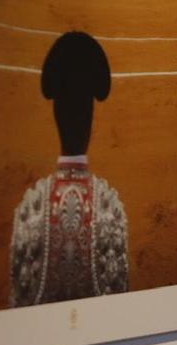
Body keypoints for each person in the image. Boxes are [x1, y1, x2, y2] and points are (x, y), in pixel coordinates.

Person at [10, 31, 130, 305]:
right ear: (91, 124)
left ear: (56, 118)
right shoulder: (110, 209)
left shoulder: (30, 210)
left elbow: (18, 304)